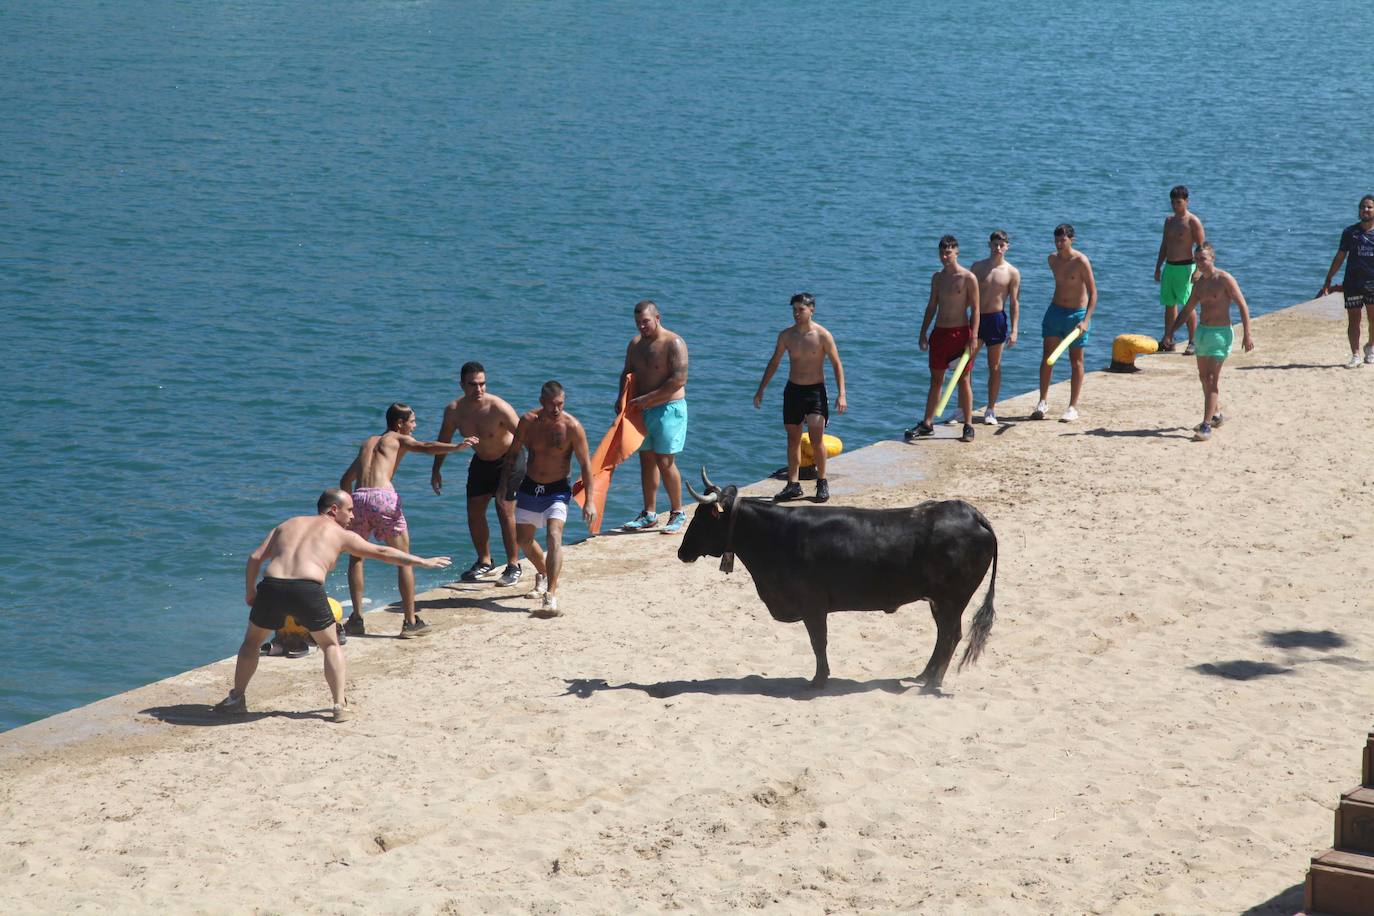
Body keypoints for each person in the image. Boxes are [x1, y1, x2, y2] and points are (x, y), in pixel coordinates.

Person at [214, 488, 451, 722]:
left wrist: (250, 592)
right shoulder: (339, 534)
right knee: (330, 645)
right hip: (307, 589)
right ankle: (339, 705)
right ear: (334, 510)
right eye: (349, 510)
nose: (353, 516)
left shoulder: (288, 524)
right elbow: (381, 551)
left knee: (252, 642)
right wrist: (422, 561)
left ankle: (236, 699)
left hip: (272, 585)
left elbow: (255, 558)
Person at [340, 403, 467, 638]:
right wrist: (457, 447)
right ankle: (410, 622)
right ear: (399, 424)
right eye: (413, 421)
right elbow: (426, 447)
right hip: (383, 498)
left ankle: (356, 619)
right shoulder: (397, 439)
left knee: (356, 557)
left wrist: (349, 510)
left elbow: (345, 480)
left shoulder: (368, 442)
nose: (415, 425)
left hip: (358, 497)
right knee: (404, 560)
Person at [504, 381, 596, 618]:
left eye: (561, 404)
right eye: (552, 404)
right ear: (541, 401)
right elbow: (513, 453)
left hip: (557, 489)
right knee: (524, 540)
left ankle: (551, 595)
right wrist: (505, 486)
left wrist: (589, 500)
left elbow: (586, 465)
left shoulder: (572, 427)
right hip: (530, 486)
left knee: (554, 535)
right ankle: (543, 574)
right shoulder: (527, 422)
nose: (556, 409)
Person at [432, 362, 524, 586]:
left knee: (504, 509)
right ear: (462, 385)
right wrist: (436, 469)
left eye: (482, 384)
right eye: (473, 384)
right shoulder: (454, 411)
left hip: (509, 459)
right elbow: (444, 441)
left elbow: (524, 436)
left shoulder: (498, 407)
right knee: (474, 512)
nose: (479, 389)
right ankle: (485, 561)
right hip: (481, 461)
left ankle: (514, 565)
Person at [753, 292, 848, 501]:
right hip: (793, 391)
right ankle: (793, 484)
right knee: (793, 439)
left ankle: (822, 482)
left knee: (816, 439)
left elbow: (836, 364)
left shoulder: (823, 335)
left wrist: (842, 394)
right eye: (794, 310)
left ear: (811, 310)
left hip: (815, 392)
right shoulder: (786, 336)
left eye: (801, 309)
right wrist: (761, 389)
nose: (796, 313)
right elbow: (774, 362)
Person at [1166, 242, 1255, 441]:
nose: (1200, 263)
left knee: (1213, 379)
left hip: (1221, 334)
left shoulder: (1224, 279)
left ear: (1212, 259)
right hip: (1203, 333)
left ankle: (1206, 425)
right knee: (1203, 377)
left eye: (1203, 259)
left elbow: (1242, 306)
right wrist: (1170, 332)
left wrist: (1247, 334)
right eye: (1197, 259)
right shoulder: (1199, 284)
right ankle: (1215, 415)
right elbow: (1187, 309)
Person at [617, 300, 690, 533]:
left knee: (665, 461)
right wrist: (621, 400)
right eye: (638, 322)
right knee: (646, 459)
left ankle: (677, 512)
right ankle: (649, 513)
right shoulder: (635, 344)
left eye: (646, 321)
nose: (641, 327)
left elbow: (678, 379)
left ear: (657, 318)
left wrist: (648, 400)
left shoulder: (673, 343)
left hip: (669, 408)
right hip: (642, 409)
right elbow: (627, 372)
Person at [907, 236, 980, 442]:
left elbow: (976, 309)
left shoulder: (968, 278)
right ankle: (927, 423)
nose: (945, 257)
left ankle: (968, 424)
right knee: (936, 380)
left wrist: (973, 336)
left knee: (963, 380)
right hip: (939, 333)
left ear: (957, 253)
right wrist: (923, 332)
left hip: (960, 334)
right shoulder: (937, 277)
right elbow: (932, 306)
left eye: (948, 252)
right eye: (942, 253)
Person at [1032, 224, 1098, 422]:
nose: (1059, 244)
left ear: (1072, 240)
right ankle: (1042, 402)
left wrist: (1086, 320)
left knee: (1076, 360)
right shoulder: (1052, 259)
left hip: (1077, 315)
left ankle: (1072, 407)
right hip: (1055, 311)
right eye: (1057, 241)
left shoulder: (1081, 261)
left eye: (1063, 240)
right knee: (1047, 357)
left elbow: (1093, 293)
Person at [969, 230, 1021, 426]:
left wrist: (1014, 330)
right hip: (977, 319)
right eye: (995, 244)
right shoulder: (978, 267)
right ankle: (963, 408)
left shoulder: (1012, 272)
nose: (998, 248)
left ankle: (990, 409)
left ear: (1007, 246)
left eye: (1002, 244)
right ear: (989, 244)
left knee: (995, 366)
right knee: (967, 364)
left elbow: (1014, 303)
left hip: (997, 320)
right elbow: (967, 295)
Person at [1320, 194, 1374, 369]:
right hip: (1352, 282)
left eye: (1369, 207)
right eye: (1363, 207)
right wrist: (1329, 279)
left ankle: (1371, 348)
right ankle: (1355, 355)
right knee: (1354, 319)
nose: (1365, 210)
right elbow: (1340, 257)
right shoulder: (1350, 232)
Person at [1155, 186, 1206, 354]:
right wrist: (1158, 267)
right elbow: (1164, 245)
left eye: (1178, 202)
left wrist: (1198, 270)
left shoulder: (1193, 221)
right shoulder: (1169, 221)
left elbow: (1201, 248)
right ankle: (1168, 340)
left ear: (1186, 202)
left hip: (1186, 267)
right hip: (1170, 267)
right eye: (1172, 202)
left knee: (1188, 305)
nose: (1175, 206)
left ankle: (1193, 340)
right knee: (1169, 304)